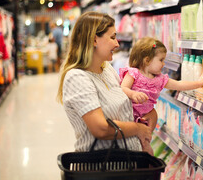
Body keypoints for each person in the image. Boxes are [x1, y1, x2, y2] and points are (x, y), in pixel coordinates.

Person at [57, 12, 153, 153]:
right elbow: (101, 129)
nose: (117, 43)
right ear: (94, 40)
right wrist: (138, 129)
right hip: (102, 168)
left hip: (128, 164)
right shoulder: (77, 77)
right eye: (112, 37)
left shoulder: (107, 69)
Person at [120, 37, 203, 154]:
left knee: (144, 148)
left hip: (145, 120)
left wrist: (198, 83)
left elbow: (179, 84)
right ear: (147, 60)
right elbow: (123, 88)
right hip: (128, 117)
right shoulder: (133, 73)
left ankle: (145, 152)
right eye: (161, 60)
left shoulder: (160, 79)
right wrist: (133, 94)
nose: (163, 63)